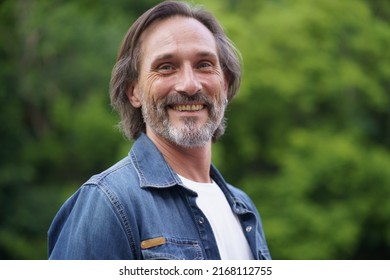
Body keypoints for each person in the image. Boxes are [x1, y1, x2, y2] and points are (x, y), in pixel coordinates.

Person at [48, 0, 271, 260]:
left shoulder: (243, 208)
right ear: (134, 92)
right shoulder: (108, 203)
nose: (189, 85)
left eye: (204, 64)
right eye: (166, 67)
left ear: (225, 82)